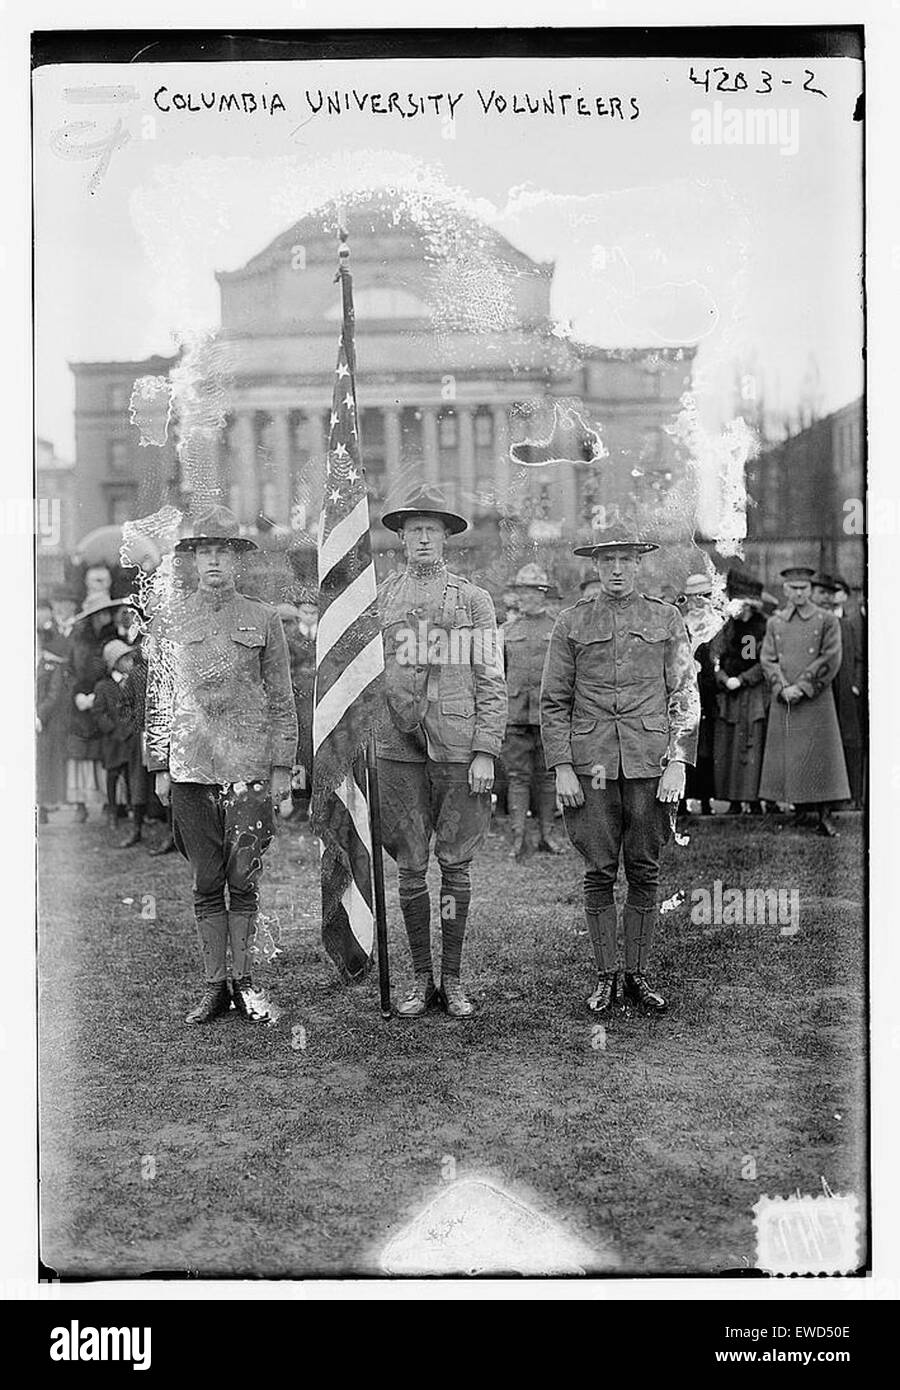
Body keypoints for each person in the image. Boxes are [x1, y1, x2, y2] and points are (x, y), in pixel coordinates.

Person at [145, 505, 298, 1025]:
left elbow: (281, 697)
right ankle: (216, 985)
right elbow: (160, 696)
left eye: (222, 552)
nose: (213, 561)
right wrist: (159, 764)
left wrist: (281, 767)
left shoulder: (263, 617)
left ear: (238, 561)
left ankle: (247, 982)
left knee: (244, 875)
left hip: (248, 764)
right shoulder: (171, 619)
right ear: (191, 561)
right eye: (204, 552)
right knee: (206, 878)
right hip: (191, 765)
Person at [541, 523, 699, 1014]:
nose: (615, 569)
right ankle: (607, 975)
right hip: (591, 767)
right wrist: (562, 766)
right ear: (595, 565)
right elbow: (553, 702)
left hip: (651, 763)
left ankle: (638, 973)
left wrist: (678, 761)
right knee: (598, 870)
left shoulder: (667, 619)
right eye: (606, 561)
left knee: (646, 870)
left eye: (625, 560)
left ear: (638, 564)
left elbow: (685, 695)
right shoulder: (571, 623)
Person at [376, 485, 507, 1019]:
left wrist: (485, 751)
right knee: (409, 868)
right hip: (396, 747)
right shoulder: (381, 596)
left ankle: (451, 979)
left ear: (447, 537)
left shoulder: (474, 600)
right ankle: (419, 977)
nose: (423, 538)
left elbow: (491, 678)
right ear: (402, 538)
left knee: (454, 866)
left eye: (433, 529)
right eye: (414, 530)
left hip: (457, 748)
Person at [758, 565, 850, 836]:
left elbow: (831, 657)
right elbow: (767, 658)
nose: (799, 594)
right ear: (785, 590)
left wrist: (804, 685)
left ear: (811, 589)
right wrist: (782, 687)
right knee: (792, 756)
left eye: (804, 588)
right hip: (785, 699)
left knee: (821, 756)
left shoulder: (826, 620)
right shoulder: (774, 622)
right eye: (793, 588)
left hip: (815, 699)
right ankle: (798, 810)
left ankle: (824, 815)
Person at [501, 563, 565, 860]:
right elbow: (496, 674)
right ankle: (518, 838)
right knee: (517, 777)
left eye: (534, 591)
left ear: (544, 594)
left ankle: (548, 835)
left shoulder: (557, 628)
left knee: (548, 777)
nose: (527, 597)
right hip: (514, 716)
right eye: (522, 591)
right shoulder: (506, 631)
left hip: (547, 715)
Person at [65, 593, 131, 821]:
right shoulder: (78, 640)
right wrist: (78, 695)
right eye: (100, 613)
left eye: (107, 612)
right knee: (80, 752)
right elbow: (71, 670)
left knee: (108, 754)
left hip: (105, 697)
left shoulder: (112, 638)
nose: (105, 617)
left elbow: (116, 666)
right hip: (81, 702)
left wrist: (99, 694)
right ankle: (80, 805)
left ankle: (112, 804)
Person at [710, 572, 769, 813]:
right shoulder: (725, 626)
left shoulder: (764, 626)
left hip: (753, 693)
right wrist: (723, 677)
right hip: (729, 694)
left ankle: (753, 800)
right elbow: (715, 655)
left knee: (751, 743)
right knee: (729, 745)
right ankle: (732, 799)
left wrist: (744, 679)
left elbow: (766, 660)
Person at [815, 574, 864, 809]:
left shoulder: (848, 624)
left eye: (835, 592)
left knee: (850, 741)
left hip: (845, 690)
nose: (831, 597)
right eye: (826, 592)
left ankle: (852, 796)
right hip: (824, 689)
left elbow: (858, 657)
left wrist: (854, 685)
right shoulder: (820, 622)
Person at [678, 573, 718, 815]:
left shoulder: (718, 622)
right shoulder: (681, 623)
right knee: (683, 745)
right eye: (695, 596)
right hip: (686, 690)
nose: (700, 601)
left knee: (706, 750)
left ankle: (706, 800)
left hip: (710, 690)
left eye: (705, 596)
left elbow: (741, 650)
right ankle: (682, 801)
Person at [93, 640, 140, 835]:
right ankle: (113, 810)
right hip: (112, 740)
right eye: (124, 658)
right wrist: (112, 729)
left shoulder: (132, 682)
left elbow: (135, 707)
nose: (129, 662)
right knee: (112, 776)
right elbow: (98, 712)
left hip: (129, 738)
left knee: (131, 776)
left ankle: (132, 810)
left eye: (129, 658)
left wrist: (130, 728)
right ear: (114, 662)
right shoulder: (103, 687)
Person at [36, 626, 69, 824]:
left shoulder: (51, 665)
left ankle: (43, 806)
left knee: (44, 763)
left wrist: (39, 716)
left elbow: (54, 694)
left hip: (45, 722)